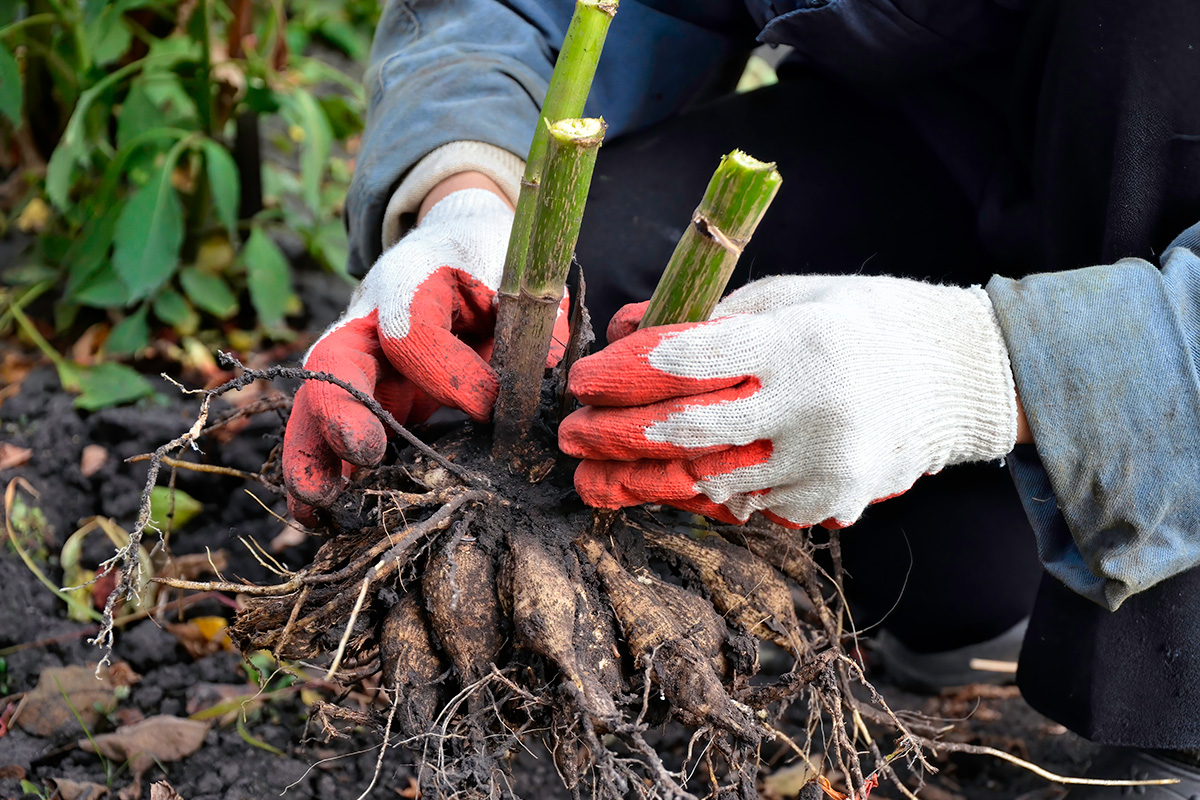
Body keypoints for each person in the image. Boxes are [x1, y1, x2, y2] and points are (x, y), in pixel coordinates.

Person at [280, 1, 1200, 794]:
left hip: (1162, 193)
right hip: (945, 143)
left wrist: (988, 371)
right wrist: (462, 190)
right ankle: (959, 558)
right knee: (572, 306)